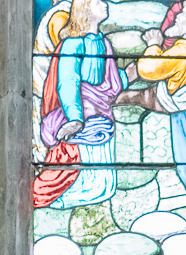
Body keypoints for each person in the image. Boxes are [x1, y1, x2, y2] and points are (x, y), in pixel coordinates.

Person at [123, 1, 186, 216]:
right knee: (137, 96)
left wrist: (153, 44)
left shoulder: (183, 50)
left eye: (183, 14)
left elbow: (149, 70)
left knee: (135, 97)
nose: (177, 15)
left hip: (179, 104)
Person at [33, 0, 123, 209]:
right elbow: (67, 81)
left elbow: (111, 84)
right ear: (84, 8)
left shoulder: (104, 43)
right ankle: (57, 198)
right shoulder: (72, 44)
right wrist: (75, 119)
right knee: (90, 186)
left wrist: (134, 73)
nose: (104, 4)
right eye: (97, 1)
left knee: (105, 187)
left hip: (100, 116)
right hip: (81, 120)